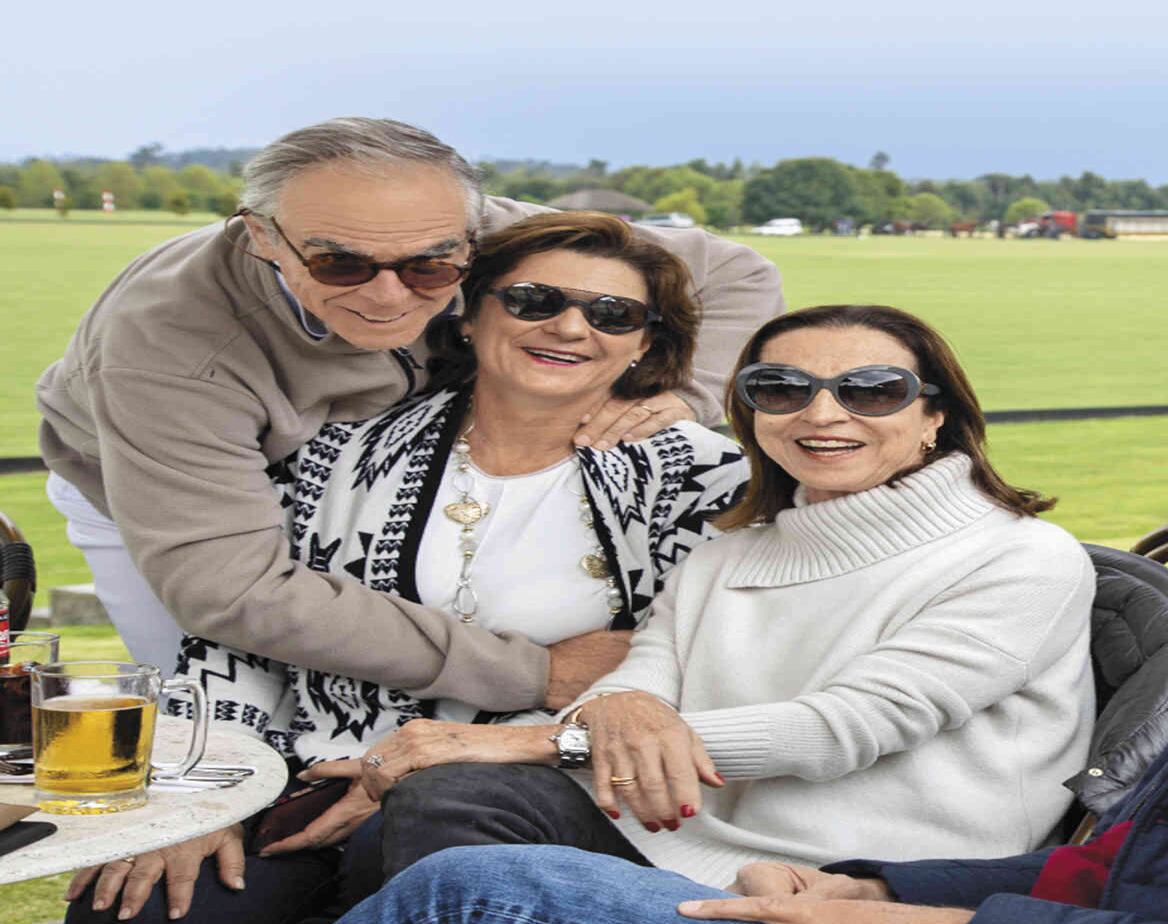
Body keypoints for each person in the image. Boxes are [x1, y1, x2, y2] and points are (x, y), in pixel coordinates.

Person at [253, 289, 1168, 924]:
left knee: (468, 887)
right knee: (447, 853)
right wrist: (883, 894)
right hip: (907, 904)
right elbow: (1154, 863)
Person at [59, 213, 750, 924]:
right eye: (532, 299)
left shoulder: (696, 473)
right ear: (470, 308)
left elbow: (693, 664)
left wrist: (438, 759)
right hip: (315, 765)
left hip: (524, 789)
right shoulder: (342, 448)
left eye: (612, 314)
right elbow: (248, 636)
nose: (569, 326)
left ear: (646, 347)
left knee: (418, 838)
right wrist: (211, 792)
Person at [295, 303, 1096, 893]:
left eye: (872, 390)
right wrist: (613, 714)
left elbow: (844, 729)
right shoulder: (728, 553)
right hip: (678, 835)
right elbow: (635, 688)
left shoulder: (1021, 559)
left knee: (444, 824)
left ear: (936, 417)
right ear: (751, 414)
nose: (822, 413)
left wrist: (533, 741)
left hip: (853, 878)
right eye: (780, 388)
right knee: (423, 809)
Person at [36, 116, 781, 686]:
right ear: (262, 237)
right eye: (339, 263)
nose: (390, 296)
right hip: (169, 493)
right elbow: (232, 592)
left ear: (473, 229)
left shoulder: (505, 238)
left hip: (392, 466)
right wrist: (536, 674)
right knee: (227, 708)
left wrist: (674, 398)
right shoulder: (173, 346)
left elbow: (739, 275)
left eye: (431, 266)